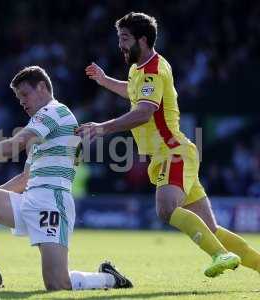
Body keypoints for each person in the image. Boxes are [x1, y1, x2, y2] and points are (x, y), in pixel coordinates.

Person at [77, 12, 260, 278]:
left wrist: (102, 127)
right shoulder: (139, 69)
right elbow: (133, 91)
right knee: (212, 230)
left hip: (172, 152)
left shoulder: (154, 69)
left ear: (142, 39)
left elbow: (144, 112)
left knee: (166, 209)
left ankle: (220, 255)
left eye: (125, 38)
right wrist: (105, 81)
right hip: (171, 152)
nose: (121, 45)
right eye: (119, 39)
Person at [0, 66, 133, 290]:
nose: (22, 102)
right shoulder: (42, 129)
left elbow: (16, 143)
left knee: (57, 284)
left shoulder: (54, 112)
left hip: (52, 203)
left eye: (25, 94)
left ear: (42, 87)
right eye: (18, 97)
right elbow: (26, 178)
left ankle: (109, 278)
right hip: (30, 199)